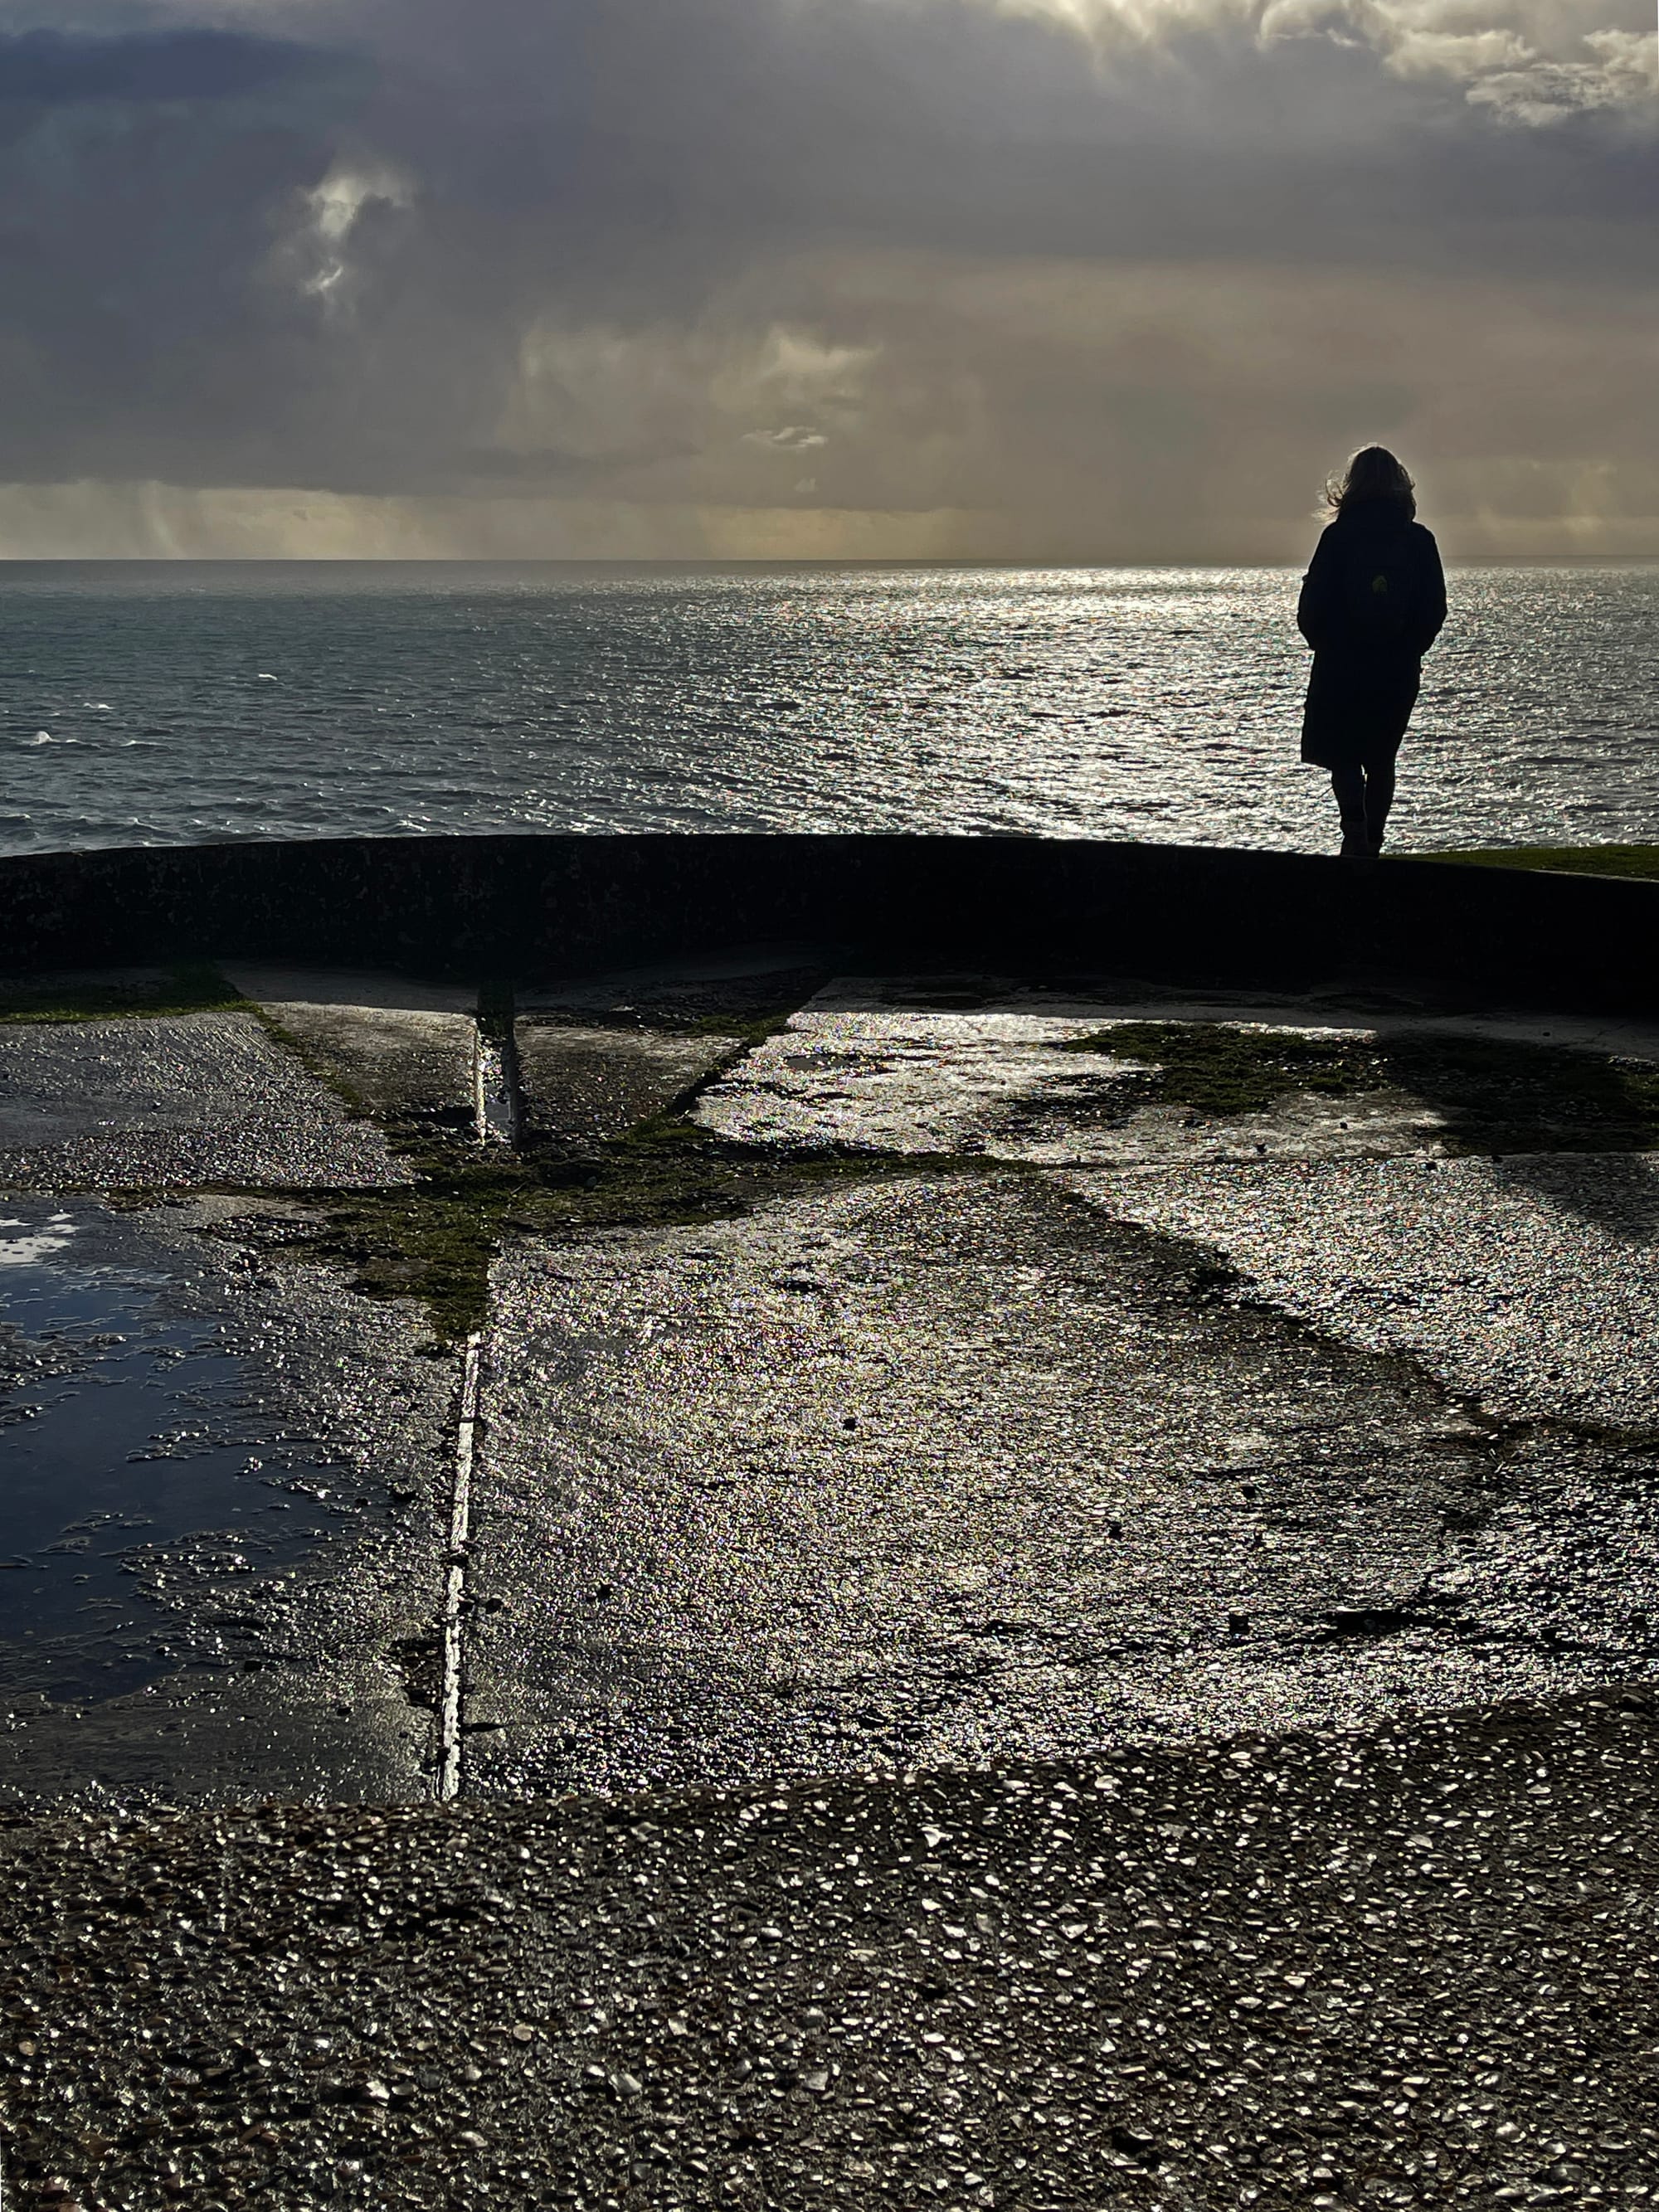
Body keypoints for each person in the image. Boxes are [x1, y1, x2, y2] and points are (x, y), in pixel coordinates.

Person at [1297, 446, 1447, 861]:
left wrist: (1323, 643)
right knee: (1382, 757)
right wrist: (1409, 649)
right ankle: (1373, 841)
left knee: (1342, 753)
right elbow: (1434, 607)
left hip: (1341, 664)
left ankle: (1354, 832)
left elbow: (1314, 603)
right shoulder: (1419, 540)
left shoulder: (1338, 537)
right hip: (1396, 668)